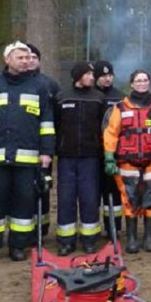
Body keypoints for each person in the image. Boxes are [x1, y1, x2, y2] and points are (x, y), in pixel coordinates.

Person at [0, 42, 55, 264]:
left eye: (28, 58)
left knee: (23, 203)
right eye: (20, 57)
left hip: (28, 158)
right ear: (7, 60)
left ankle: (17, 246)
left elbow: (46, 123)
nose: (26, 61)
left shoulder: (39, 86)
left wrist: (47, 151)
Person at [103, 70, 151, 254]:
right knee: (129, 199)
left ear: (149, 83)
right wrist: (109, 156)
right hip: (127, 162)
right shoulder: (119, 109)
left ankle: (149, 237)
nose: (142, 83)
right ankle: (132, 238)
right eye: (138, 80)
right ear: (131, 84)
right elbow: (111, 133)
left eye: (145, 80)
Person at [53, 62, 106, 255]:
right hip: (66, 158)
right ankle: (66, 241)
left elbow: (104, 127)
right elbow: (56, 125)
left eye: (92, 74)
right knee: (66, 199)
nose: (92, 77)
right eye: (88, 74)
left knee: (89, 198)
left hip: (91, 158)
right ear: (78, 76)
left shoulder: (98, 98)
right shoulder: (61, 97)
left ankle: (89, 240)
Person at [28, 44, 60, 242]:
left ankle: (43, 227)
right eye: (26, 57)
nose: (30, 60)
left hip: (44, 147)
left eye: (34, 57)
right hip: (21, 147)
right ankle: (26, 229)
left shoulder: (50, 84)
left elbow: (57, 116)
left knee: (43, 187)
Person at [94, 60, 125, 236]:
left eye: (109, 75)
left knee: (113, 193)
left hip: (114, 153)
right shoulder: (91, 96)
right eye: (103, 76)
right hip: (93, 153)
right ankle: (92, 228)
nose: (107, 79)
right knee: (93, 193)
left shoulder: (120, 98)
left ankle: (114, 228)